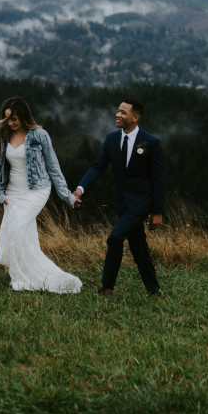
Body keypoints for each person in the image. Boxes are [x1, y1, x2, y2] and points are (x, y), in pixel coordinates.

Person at [0, 97, 82, 293]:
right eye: (7, 119)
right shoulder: (4, 137)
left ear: (23, 116)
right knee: (20, 236)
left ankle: (44, 277)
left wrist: (67, 197)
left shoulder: (39, 135)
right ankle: (20, 278)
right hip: (13, 193)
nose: (10, 123)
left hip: (37, 190)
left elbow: (54, 167)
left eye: (14, 118)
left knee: (18, 231)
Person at [74, 99, 165, 298]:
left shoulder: (150, 142)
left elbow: (158, 179)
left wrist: (157, 211)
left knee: (115, 238)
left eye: (123, 112)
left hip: (140, 203)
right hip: (122, 203)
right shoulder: (112, 139)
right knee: (138, 246)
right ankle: (154, 291)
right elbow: (98, 166)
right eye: (118, 111)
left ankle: (106, 287)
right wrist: (81, 189)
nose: (118, 115)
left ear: (135, 117)